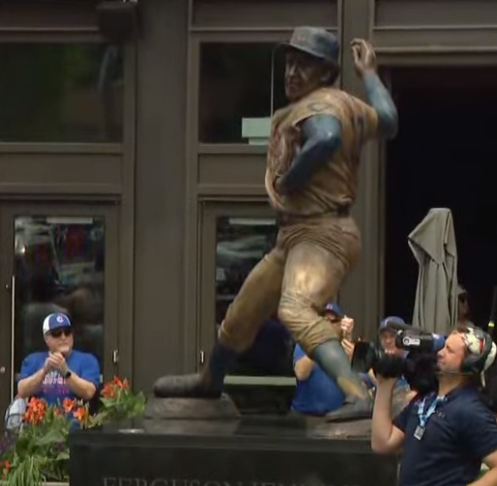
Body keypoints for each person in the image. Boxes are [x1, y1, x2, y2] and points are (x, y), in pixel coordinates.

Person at [153, 26, 399, 422]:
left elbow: (325, 139)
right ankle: (210, 382)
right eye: (289, 62)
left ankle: (357, 393)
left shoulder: (319, 107)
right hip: (297, 237)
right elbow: (388, 119)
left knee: (296, 308)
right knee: (242, 314)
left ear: (325, 72)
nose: (292, 72)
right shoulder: (346, 103)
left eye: (304, 64)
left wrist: (292, 178)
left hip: (322, 234)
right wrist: (369, 74)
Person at [371, 326, 497, 486]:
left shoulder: (471, 410)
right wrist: (385, 385)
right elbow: (382, 443)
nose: (440, 352)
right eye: (444, 346)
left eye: (450, 351)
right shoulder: (425, 399)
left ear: (468, 364)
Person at [17, 313, 100, 405]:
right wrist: (44, 371)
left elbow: (89, 392)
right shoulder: (33, 360)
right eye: (56, 333)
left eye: (67, 332)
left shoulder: (87, 360)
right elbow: (22, 391)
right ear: (46, 338)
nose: (63, 337)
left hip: (74, 419)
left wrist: (66, 372)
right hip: (40, 418)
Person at [290, 303, 351, 416]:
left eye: (333, 321)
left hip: (337, 417)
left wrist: (347, 338)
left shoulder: (347, 346)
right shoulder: (306, 342)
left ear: (340, 324)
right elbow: (301, 373)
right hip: (306, 415)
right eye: (324, 321)